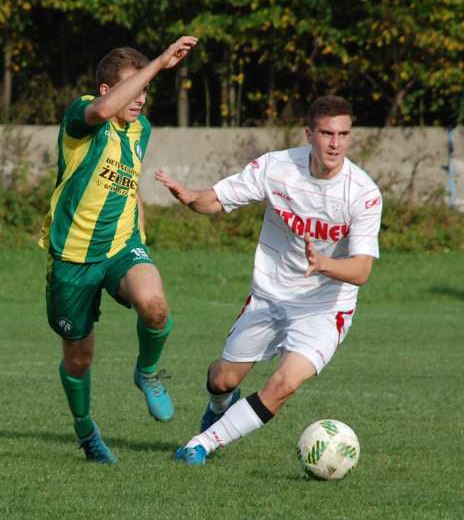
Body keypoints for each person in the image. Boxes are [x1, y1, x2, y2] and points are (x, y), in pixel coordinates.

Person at [155, 95, 383, 466]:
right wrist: (191, 198)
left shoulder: (363, 193)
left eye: (343, 134)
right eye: (326, 133)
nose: (335, 143)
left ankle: (202, 445)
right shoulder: (278, 168)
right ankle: (219, 407)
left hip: (324, 307)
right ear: (309, 133)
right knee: (222, 380)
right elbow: (217, 199)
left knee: (284, 384)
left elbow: (361, 270)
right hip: (269, 296)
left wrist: (324, 264)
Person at [40, 36, 198, 464]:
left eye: (147, 91)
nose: (142, 99)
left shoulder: (140, 129)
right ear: (107, 90)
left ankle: (147, 372)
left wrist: (140, 233)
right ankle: (86, 430)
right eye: (136, 88)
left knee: (155, 307)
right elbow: (103, 111)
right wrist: (161, 62)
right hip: (73, 257)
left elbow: (129, 182)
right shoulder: (83, 114)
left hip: (121, 247)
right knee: (79, 358)